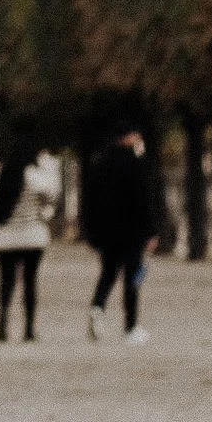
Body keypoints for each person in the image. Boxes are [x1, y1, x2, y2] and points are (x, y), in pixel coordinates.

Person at [80, 121, 154, 344]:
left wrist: (92, 232)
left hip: (107, 232)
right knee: (132, 277)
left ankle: (97, 307)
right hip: (132, 231)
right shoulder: (135, 163)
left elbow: (89, 201)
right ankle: (131, 326)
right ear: (128, 137)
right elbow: (143, 200)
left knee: (108, 273)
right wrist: (150, 231)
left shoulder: (99, 164)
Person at [0, 147, 60, 342]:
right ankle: (28, 328)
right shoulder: (35, 176)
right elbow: (50, 198)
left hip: (4, 237)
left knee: (6, 282)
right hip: (32, 235)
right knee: (30, 282)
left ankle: (2, 322)